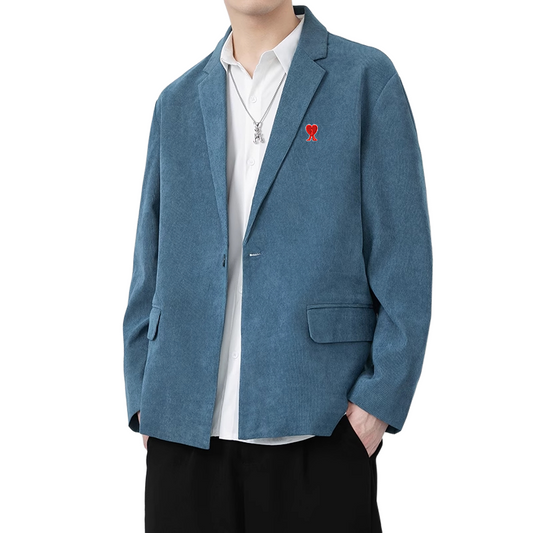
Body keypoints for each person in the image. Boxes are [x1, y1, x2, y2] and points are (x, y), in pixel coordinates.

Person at [122, 2, 432, 532]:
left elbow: (406, 264)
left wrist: (376, 407)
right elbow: (147, 267)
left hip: (319, 433)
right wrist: (143, 398)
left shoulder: (364, 80)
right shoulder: (176, 103)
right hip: (183, 438)